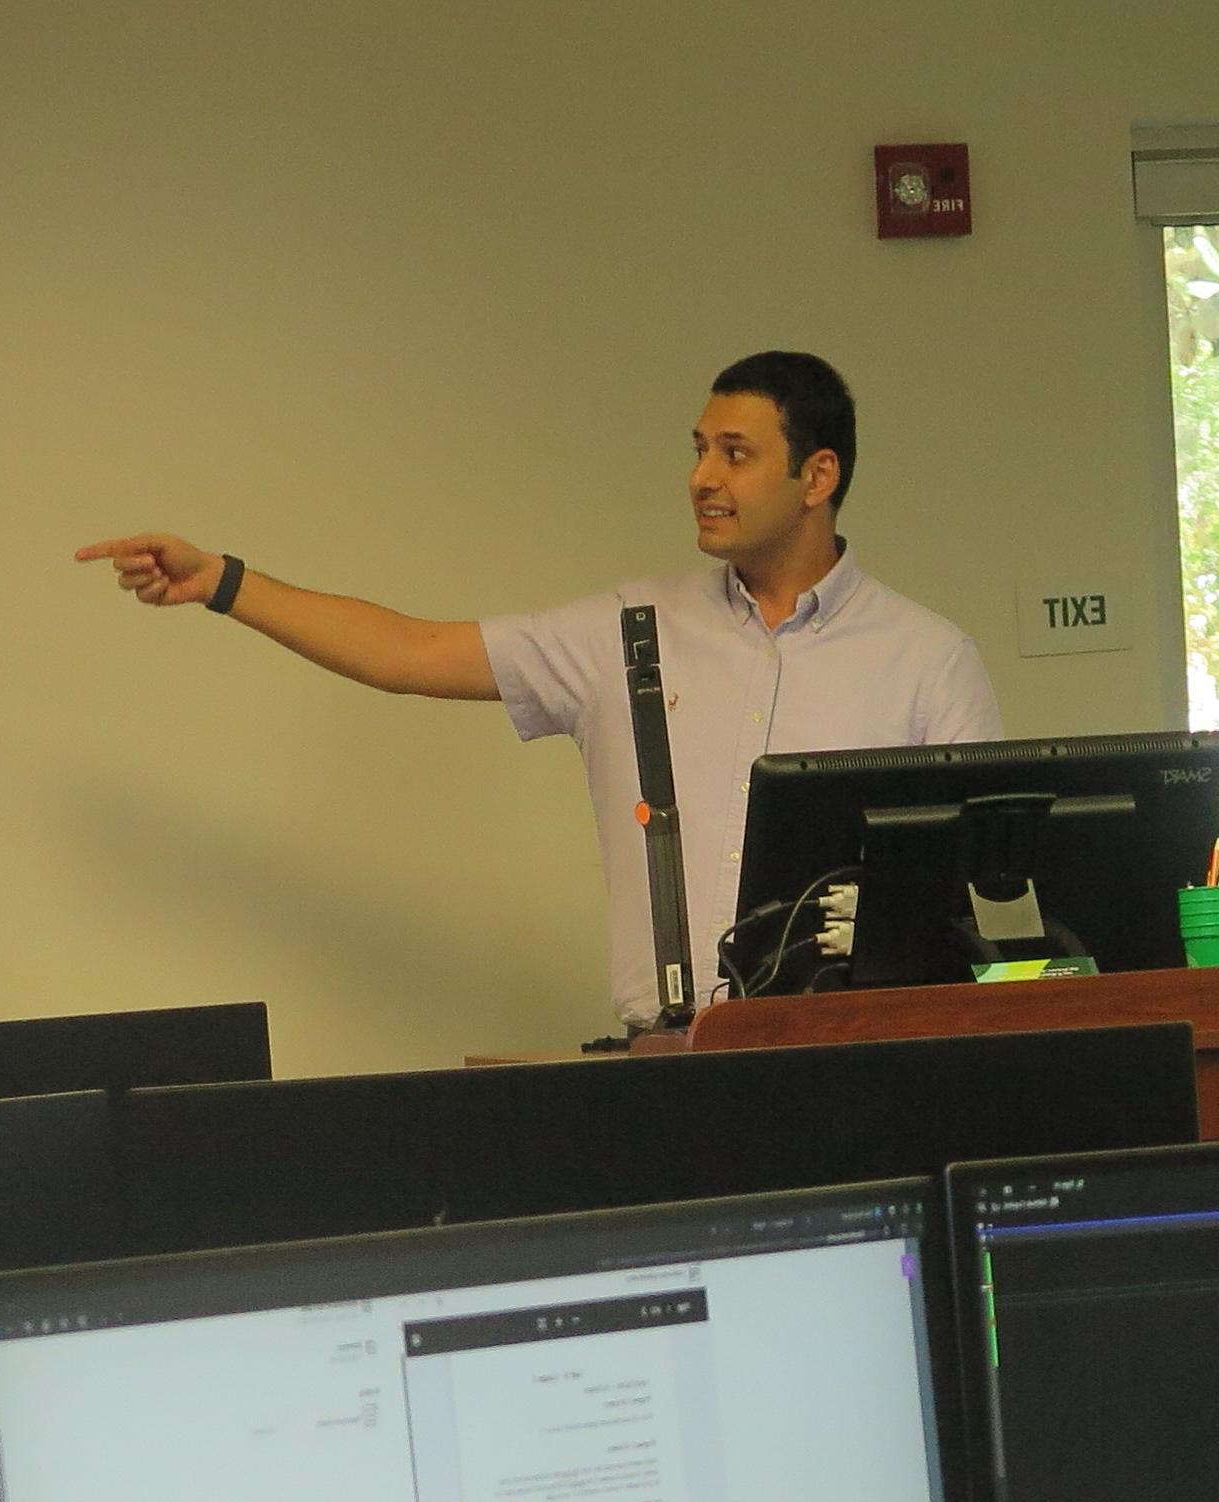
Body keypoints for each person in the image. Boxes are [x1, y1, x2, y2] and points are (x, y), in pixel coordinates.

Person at [77, 351, 1001, 1029]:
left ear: (818, 477)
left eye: (734, 453)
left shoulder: (926, 658)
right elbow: (410, 651)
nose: (701, 479)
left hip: (863, 1060)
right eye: (698, 450)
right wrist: (224, 583)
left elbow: (984, 898)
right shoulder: (629, 630)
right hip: (664, 1067)